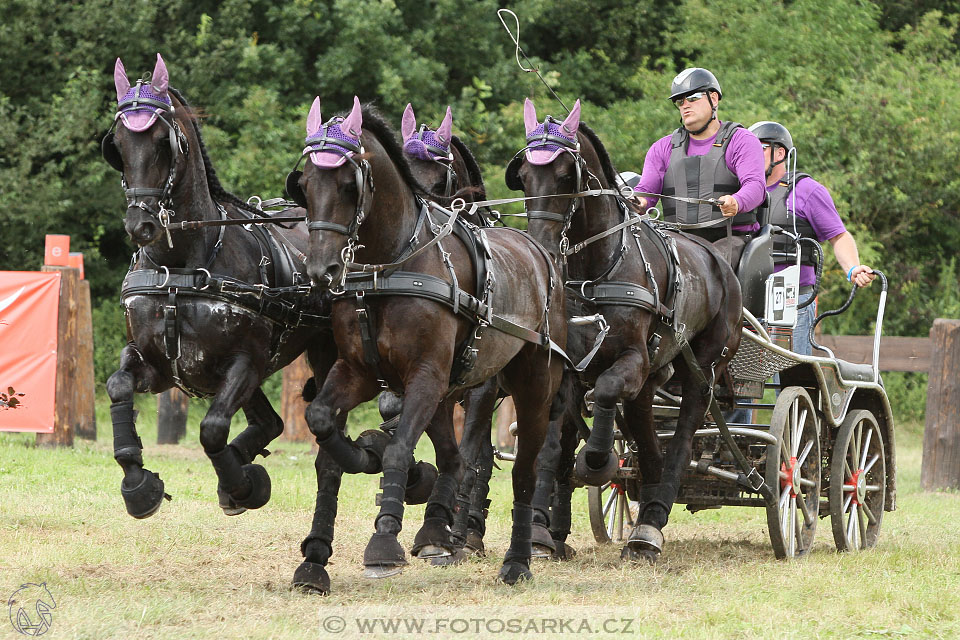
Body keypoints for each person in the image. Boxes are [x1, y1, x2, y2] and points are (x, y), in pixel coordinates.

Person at [748, 120, 876, 355]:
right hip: (749, 296)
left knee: (789, 375)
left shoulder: (806, 191)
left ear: (779, 152)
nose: (752, 155)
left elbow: (839, 236)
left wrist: (853, 268)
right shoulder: (741, 193)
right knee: (739, 379)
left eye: (760, 148)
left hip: (791, 297)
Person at [632, 68, 767, 267]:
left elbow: (756, 186)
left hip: (731, 238)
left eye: (692, 98)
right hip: (677, 239)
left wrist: (736, 201)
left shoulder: (741, 140)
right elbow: (646, 193)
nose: (685, 106)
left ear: (714, 98)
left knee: (707, 265)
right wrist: (637, 202)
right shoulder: (661, 148)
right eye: (680, 101)